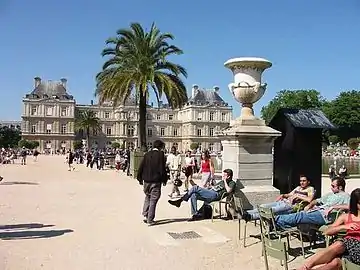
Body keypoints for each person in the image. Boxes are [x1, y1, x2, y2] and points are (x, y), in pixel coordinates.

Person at [297, 188, 360, 270]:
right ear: (354, 203)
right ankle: (305, 267)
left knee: (340, 244)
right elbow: (327, 232)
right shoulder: (346, 217)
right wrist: (344, 226)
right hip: (345, 247)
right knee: (335, 263)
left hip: (357, 249)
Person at [275, 177, 350, 229]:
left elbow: (350, 206)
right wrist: (310, 205)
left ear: (340, 187)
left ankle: (276, 220)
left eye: (333, 186)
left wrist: (334, 207)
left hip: (325, 216)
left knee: (300, 216)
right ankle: (278, 223)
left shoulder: (346, 196)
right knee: (300, 215)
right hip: (318, 210)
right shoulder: (330, 194)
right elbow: (316, 200)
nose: (331, 187)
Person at [168, 169, 236, 221]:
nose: (223, 176)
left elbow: (229, 191)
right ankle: (195, 214)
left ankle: (180, 201)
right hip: (210, 193)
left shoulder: (231, 183)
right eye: (223, 175)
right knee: (193, 194)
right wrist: (209, 186)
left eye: (224, 175)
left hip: (215, 195)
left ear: (229, 176)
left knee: (195, 188)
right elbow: (214, 188)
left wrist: (225, 181)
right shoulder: (221, 182)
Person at [242, 175, 315, 221]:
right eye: (301, 181)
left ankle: (251, 216)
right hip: (284, 202)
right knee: (263, 206)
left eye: (304, 181)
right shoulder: (298, 188)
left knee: (270, 210)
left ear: (308, 182)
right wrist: (283, 195)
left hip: (292, 206)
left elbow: (309, 199)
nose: (302, 182)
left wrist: (298, 196)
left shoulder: (310, 188)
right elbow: (289, 194)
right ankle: (246, 213)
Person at [137, 140, 167, 226]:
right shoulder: (160, 155)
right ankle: (150, 219)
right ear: (160, 147)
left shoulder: (147, 154)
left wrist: (139, 178)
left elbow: (141, 166)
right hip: (156, 180)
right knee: (154, 199)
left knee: (148, 196)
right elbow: (162, 169)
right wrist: (164, 179)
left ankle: (145, 213)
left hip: (146, 180)